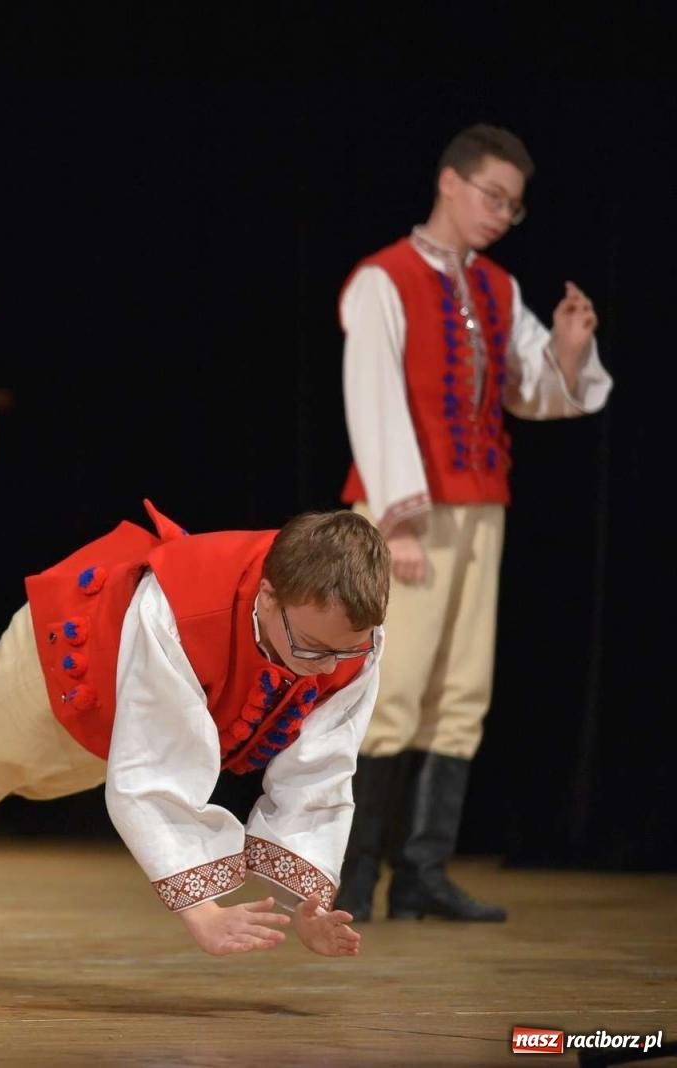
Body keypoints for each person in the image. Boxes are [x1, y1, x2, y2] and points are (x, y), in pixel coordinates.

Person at [0, 502, 388, 959]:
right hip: (67, 662)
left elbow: (320, 769)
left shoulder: (348, 640)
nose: (326, 666)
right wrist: (201, 911)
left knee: (35, 779)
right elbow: (154, 770)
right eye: (311, 648)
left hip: (130, 718)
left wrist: (304, 904)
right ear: (268, 595)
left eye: (347, 649)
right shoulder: (182, 610)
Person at [335, 124, 613, 923]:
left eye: (514, 206)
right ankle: (353, 877)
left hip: (481, 505)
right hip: (404, 511)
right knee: (391, 691)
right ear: (450, 182)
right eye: (493, 196)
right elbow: (375, 399)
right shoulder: (383, 279)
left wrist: (564, 349)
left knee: (460, 690)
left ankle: (421, 872)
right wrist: (398, 523)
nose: (500, 214)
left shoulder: (493, 287)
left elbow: (532, 389)